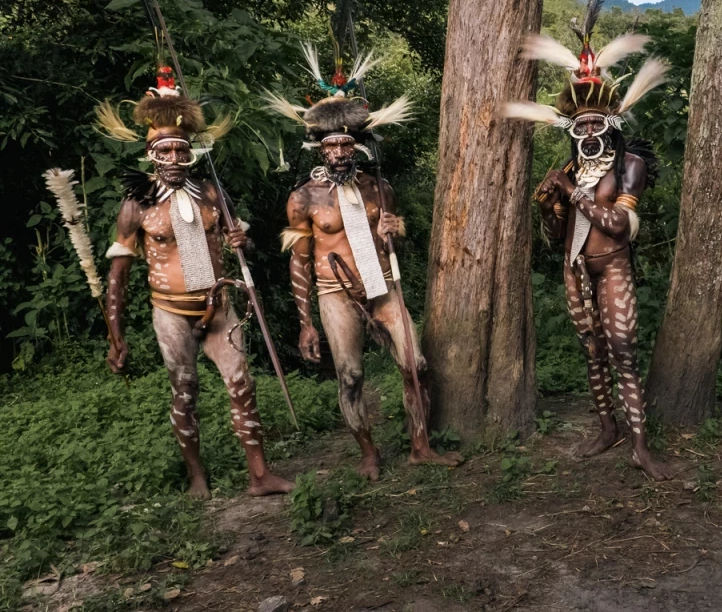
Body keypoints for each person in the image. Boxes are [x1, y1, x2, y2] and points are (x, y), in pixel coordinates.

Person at [504, 0, 674, 479]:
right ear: (572, 130)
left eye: (598, 123)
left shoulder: (628, 165)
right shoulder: (572, 169)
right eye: (582, 126)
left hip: (613, 268)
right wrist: (548, 208)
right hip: (575, 271)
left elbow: (619, 225)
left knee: (623, 351)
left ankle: (640, 446)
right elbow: (558, 238)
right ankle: (607, 428)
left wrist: (574, 193)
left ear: (611, 124)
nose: (590, 131)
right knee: (593, 352)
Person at [266, 42, 461, 479]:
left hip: (383, 286)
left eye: (346, 144)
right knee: (350, 376)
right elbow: (298, 261)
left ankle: (420, 446)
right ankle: (368, 454)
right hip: (335, 292)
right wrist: (306, 322)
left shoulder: (379, 188)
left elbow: (392, 244)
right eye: (332, 146)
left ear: (357, 145)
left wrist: (395, 229)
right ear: (319, 149)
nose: (340, 152)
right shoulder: (303, 198)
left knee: (417, 366)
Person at [97, 67, 293, 498]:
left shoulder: (211, 193)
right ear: (150, 154)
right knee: (184, 391)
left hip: (218, 304)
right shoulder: (137, 205)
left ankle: (260, 475)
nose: (173, 159)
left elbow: (240, 242)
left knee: (242, 384)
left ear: (191, 153)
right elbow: (118, 275)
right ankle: (196, 477)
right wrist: (116, 335)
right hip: (171, 312)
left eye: (180, 150)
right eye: (164, 151)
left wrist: (243, 240)